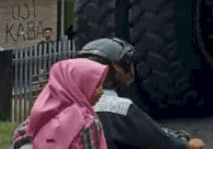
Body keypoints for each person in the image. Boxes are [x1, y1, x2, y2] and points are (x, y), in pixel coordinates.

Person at [77, 37, 205, 149]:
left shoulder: (70, 103)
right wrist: (185, 142)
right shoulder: (119, 107)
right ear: (117, 70)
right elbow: (163, 142)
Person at [12, 58, 109, 149]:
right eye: (97, 86)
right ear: (80, 87)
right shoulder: (88, 124)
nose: (101, 92)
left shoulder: (31, 124)